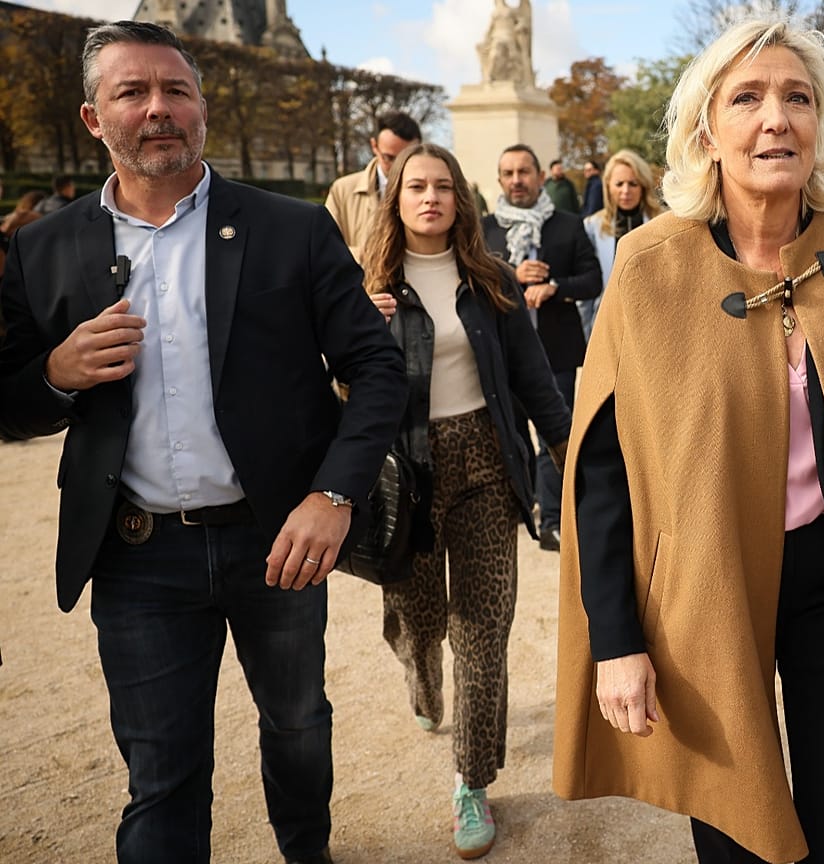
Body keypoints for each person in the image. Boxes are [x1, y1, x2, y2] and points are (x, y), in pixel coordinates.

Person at [552, 16, 824, 864]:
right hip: (705, 582)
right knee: (737, 830)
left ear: (820, 121)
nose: (776, 118)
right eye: (746, 98)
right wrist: (617, 639)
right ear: (707, 131)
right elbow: (602, 467)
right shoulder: (648, 265)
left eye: (797, 97)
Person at [0, 21, 407, 864]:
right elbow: (8, 404)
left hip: (278, 540)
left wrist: (334, 494)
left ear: (202, 108)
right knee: (161, 774)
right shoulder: (42, 248)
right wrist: (56, 373)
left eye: (176, 90)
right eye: (133, 92)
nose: (159, 108)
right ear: (93, 119)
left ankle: (307, 851)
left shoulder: (290, 228)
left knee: (298, 724)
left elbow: (376, 367)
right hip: (136, 554)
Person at [360, 142, 571, 859]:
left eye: (444, 187)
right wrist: (359, 331)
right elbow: (335, 390)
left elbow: (533, 379)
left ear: (461, 199)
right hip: (405, 474)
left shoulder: (491, 279)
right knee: (419, 622)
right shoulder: (367, 285)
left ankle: (472, 782)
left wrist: (569, 455)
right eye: (417, 187)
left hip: (484, 461)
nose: (431, 198)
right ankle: (421, 678)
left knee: (482, 630)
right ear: (396, 200)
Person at [481, 144, 601, 552]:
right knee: (510, 434)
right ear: (500, 180)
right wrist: (512, 275)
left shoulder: (568, 225)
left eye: (524, 172)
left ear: (540, 177)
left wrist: (555, 287)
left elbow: (592, 279)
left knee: (555, 432)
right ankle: (521, 505)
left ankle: (552, 520)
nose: (517, 180)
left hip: (556, 350)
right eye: (509, 173)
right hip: (501, 354)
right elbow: (470, 281)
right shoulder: (483, 230)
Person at [580, 148, 660, 339]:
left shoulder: (661, 223)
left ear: (643, 186)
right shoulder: (592, 226)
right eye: (619, 184)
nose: (625, 191)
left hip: (654, 321)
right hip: (609, 324)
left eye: (633, 184)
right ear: (608, 186)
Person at [324, 110, 421, 260]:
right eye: (389, 158)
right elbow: (325, 249)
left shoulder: (434, 193)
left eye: (406, 158)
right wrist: (369, 255)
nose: (398, 166)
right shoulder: (342, 190)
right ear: (374, 146)